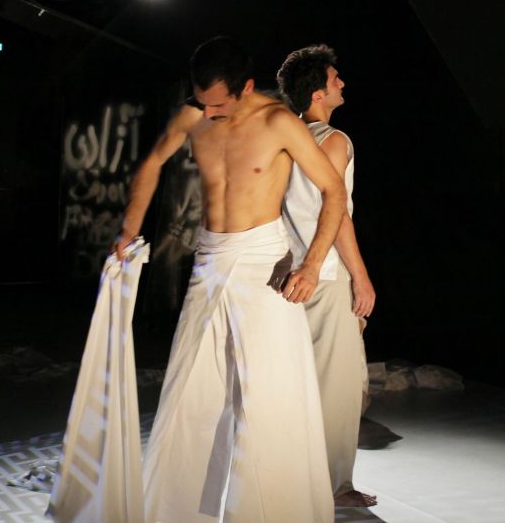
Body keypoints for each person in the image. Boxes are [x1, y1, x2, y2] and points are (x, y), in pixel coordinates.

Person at [114, 36, 347, 523]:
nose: (209, 112)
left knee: (267, 395)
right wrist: (128, 231)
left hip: (264, 264)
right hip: (209, 261)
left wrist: (310, 266)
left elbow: (332, 190)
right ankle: (179, 512)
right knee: (190, 389)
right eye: (202, 101)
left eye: (218, 103)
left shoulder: (279, 122)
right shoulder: (193, 114)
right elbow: (151, 163)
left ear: (246, 87)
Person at [276, 44, 377, 509]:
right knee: (336, 384)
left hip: (285, 271)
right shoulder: (333, 140)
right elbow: (336, 214)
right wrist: (361, 276)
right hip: (323, 271)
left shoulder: (284, 139)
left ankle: (296, 477)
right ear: (317, 93)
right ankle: (336, 486)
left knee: (295, 379)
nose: (342, 83)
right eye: (335, 79)